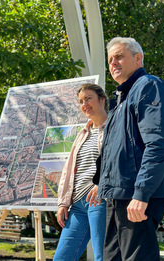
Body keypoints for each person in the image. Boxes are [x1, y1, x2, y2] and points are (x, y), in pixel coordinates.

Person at [98, 37, 164, 260]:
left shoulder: (149, 86)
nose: (113, 63)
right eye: (110, 59)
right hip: (116, 196)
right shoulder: (120, 100)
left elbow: (159, 144)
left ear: (138, 58)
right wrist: (101, 186)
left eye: (119, 56)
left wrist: (142, 193)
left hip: (136, 196)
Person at [53, 83, 108, 261]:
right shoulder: (83, 133)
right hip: (77, 204)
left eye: (88, 98)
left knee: (103, 256)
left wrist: (102, 184)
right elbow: (69, 170)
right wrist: (63, 202)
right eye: (81, 101)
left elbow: (117, 162)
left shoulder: (113, 129)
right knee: (62, 257)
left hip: (99, 199)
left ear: (102, 100)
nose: (84, 104)